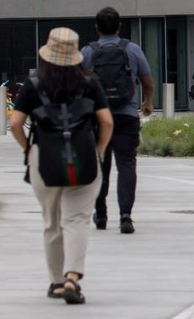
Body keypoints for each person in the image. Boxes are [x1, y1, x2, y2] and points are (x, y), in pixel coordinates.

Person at [9, 27, 114, 305]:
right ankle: (72, 277)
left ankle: (56, 282)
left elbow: (15, 123)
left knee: (52, 222)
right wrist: (100, 151)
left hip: (44, 158)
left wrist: (28, 149)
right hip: (84, 156)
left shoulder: (34, 84)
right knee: (76, 220)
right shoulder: (90, 82)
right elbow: (106, 121)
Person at [82, 7, 154, 234]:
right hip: (126, 115)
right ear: (119, 26)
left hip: (98, 118)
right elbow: (147, 81)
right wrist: (147, 102)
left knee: (99, 166)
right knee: (127, 164)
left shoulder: (88, 52)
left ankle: (101, 214)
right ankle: (125, 215)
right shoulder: (132, 49)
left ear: (97, 28)